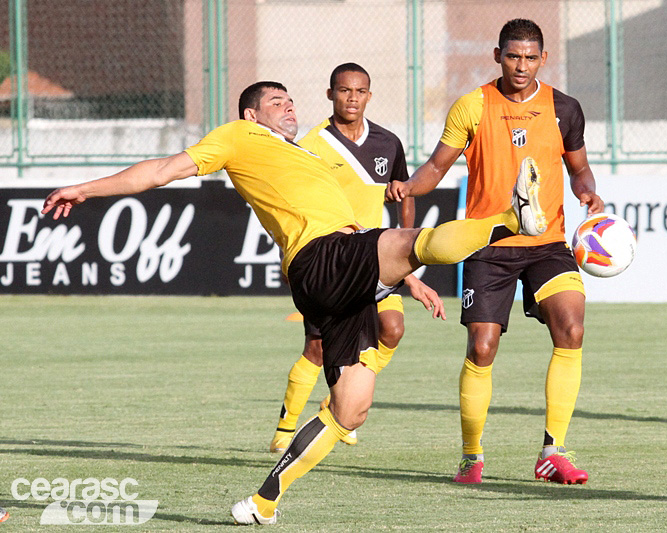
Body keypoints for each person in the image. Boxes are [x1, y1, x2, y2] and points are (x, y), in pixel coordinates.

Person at [42, 80, 542, 525]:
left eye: (291, 100)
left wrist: (406, 281)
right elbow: (161, 170)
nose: (289, 107)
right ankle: (513, 219)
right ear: (251, 115)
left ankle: (261, 502)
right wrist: (86, 189)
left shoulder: (304, 154)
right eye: (275, 101)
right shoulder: (238, 137)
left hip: (340, 273)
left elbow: (363, 234)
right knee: (416, 238)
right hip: (322, 256)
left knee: (351, 409)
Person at [386, 18, 604, 485]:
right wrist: (408, 187)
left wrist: (588, 193)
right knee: (482, 349)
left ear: (543, 58)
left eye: (530, 57)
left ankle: (553, 451)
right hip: (488, 242)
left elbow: (580, 170)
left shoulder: (564, 108)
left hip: (547, 242)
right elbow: (436, 167)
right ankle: (471, 456)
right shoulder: (473, 105)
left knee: (572, 327)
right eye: (512, 56)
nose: (521, 66)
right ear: (497, 55)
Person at [268, 63, 440, 454]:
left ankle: (339, 406)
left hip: (376, 255)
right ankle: (285, 428)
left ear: (369, 95)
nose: (352, 98)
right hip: (329, 260)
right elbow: (290, 205)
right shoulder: (311, 144)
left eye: (360, 91)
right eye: (344, 91)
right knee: (317, 348)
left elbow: (405, 193)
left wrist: (407, 255)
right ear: (330, 94)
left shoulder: (388, 143)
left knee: (392, 329)